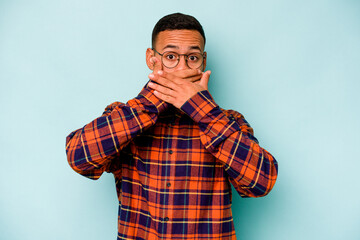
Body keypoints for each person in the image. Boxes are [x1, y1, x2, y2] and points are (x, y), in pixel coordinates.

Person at [66, 12, 278, 240]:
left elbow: (261, 182)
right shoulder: (122, 117)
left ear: (203, 62)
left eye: (192, 58)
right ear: (151, 58)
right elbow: (79, 159)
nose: (181, 68)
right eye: (170, 57)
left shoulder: (229, 122)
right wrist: (151, 102)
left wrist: (203, 110)